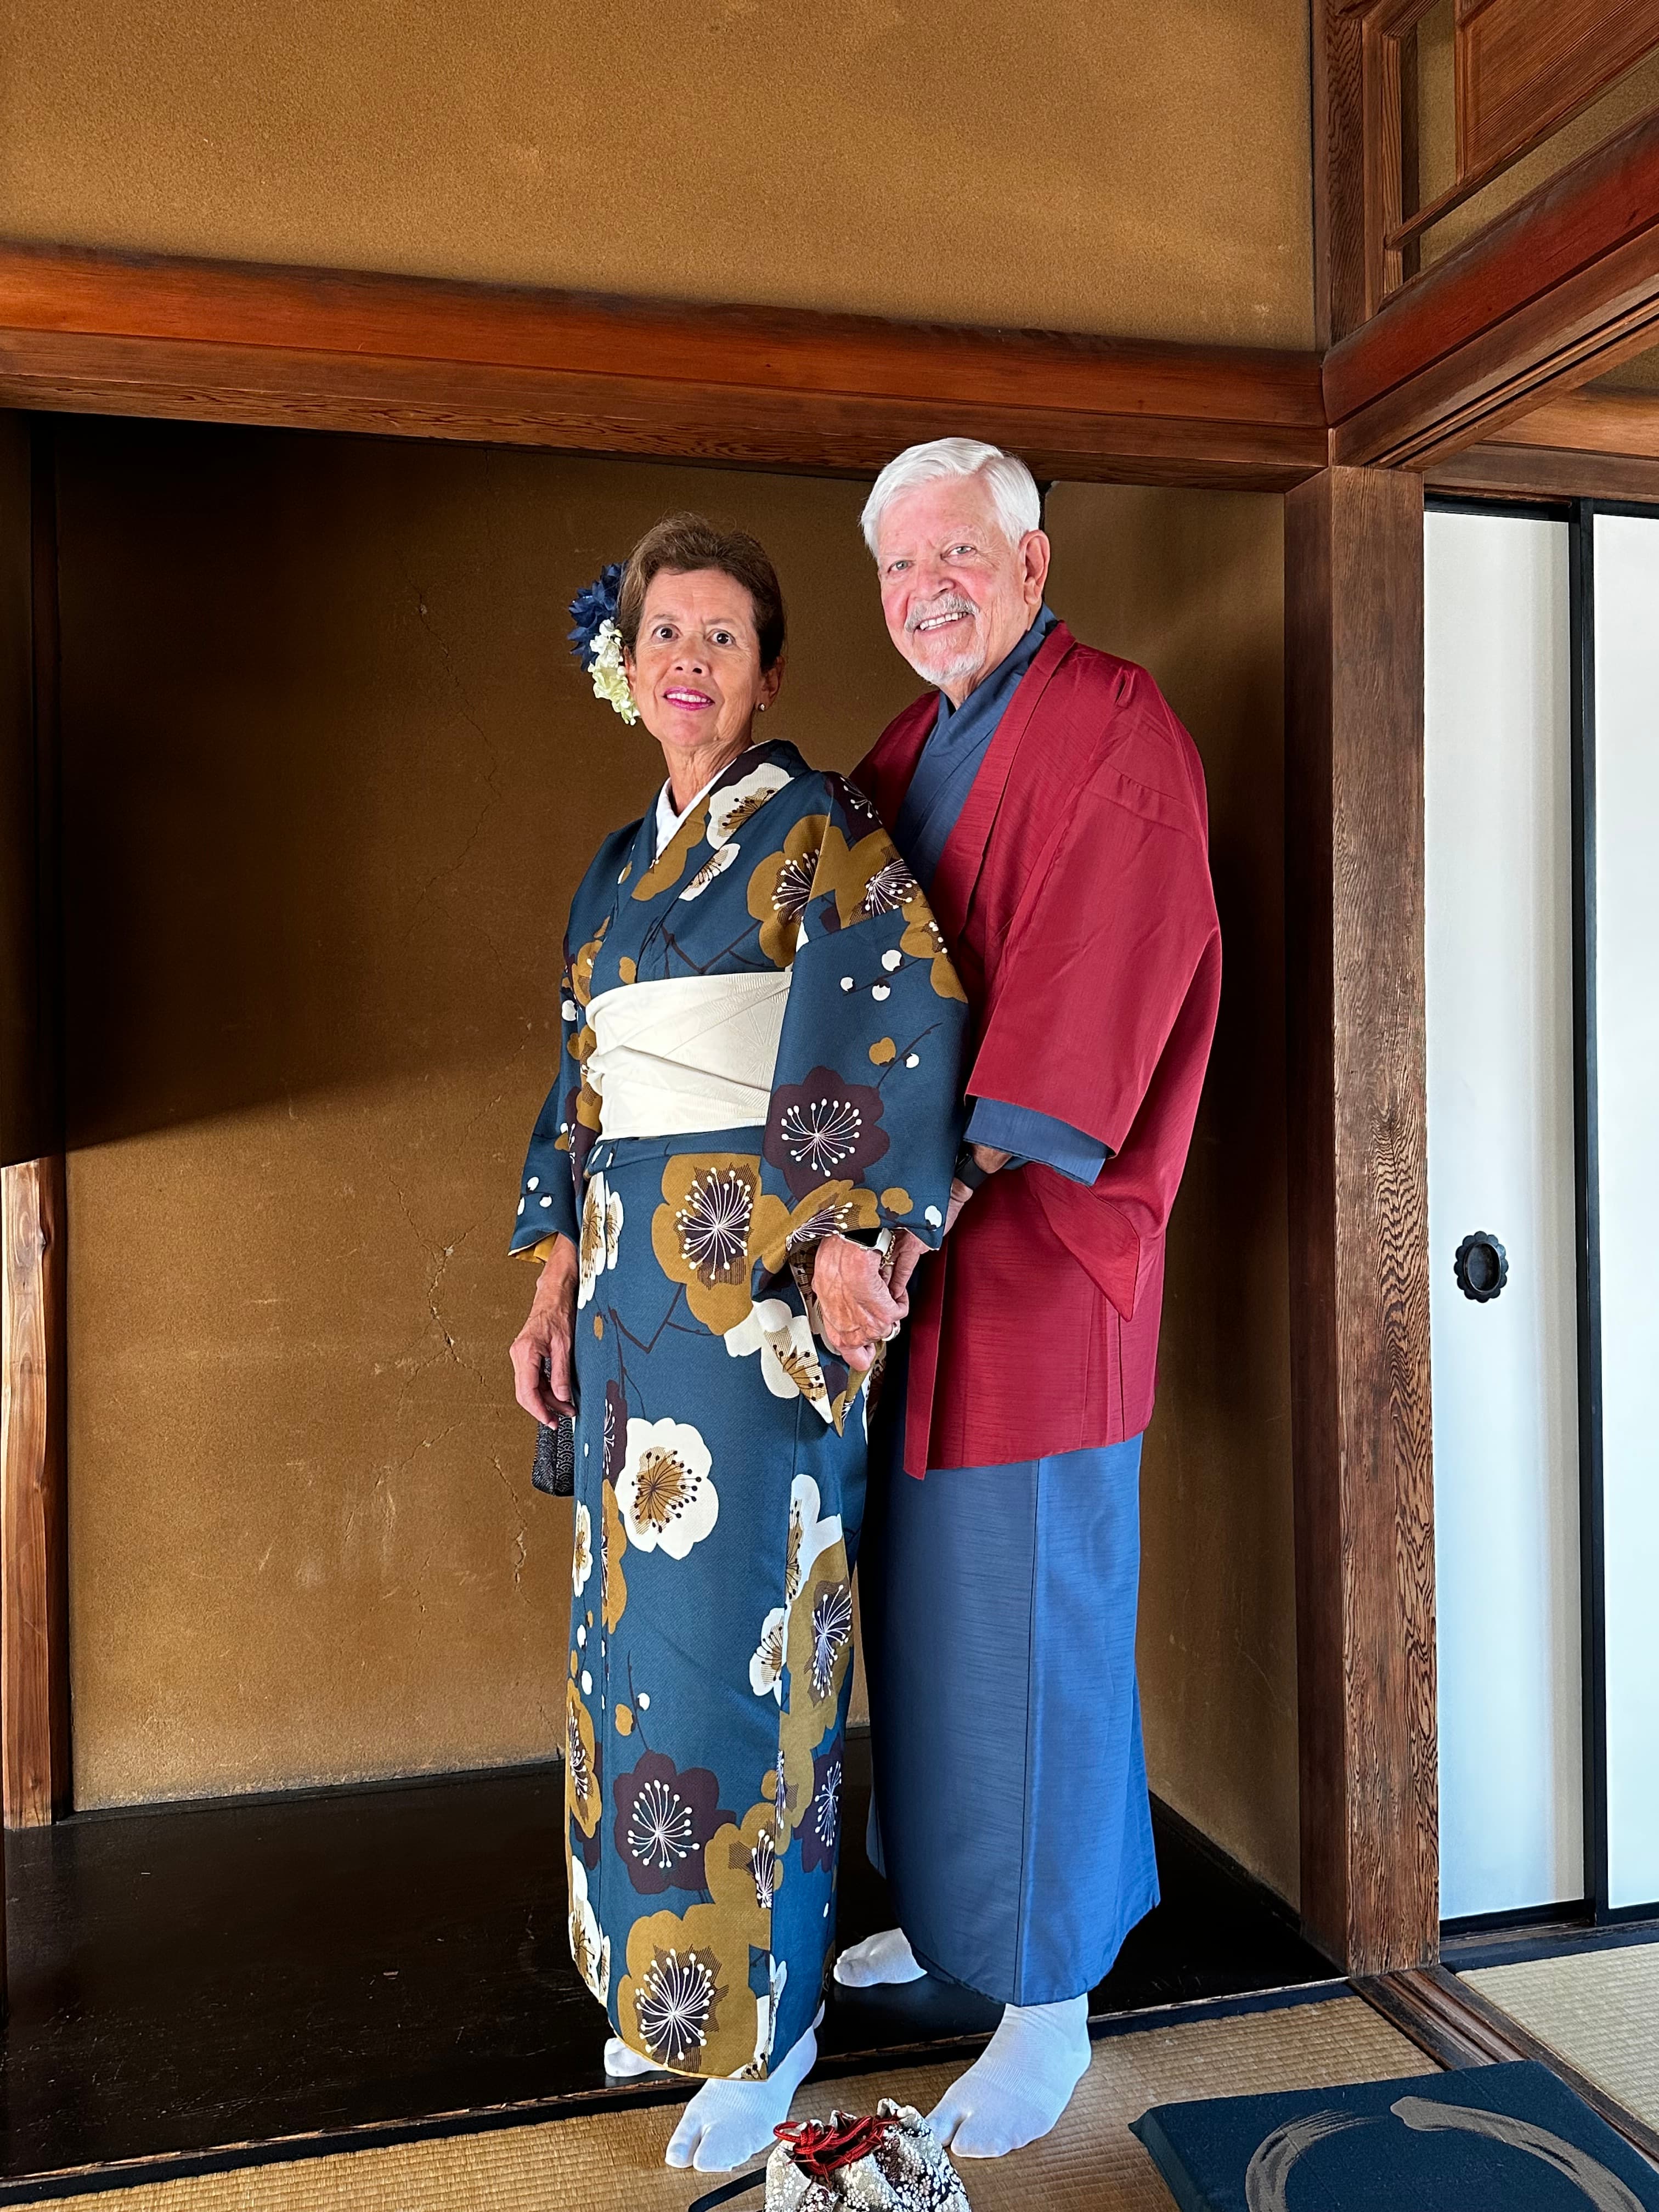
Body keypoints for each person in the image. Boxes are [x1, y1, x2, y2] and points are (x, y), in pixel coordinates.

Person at [507, 513, 968, 2174]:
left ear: (768, 669)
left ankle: (767, 2027)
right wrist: (553, 1275)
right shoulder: (613, 877)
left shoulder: (824, 834)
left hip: (755, 1307)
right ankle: (663, 1983)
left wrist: (849, 1231)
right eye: (664, 636)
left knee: (755, 1645)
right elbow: (580, 1089)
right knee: (636, 1650)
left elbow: (905, 1014)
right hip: (634, 1305)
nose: (689, 662)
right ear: (626, 671)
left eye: (721, 636)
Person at [834, 439, 1222, 2160]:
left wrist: (925, 1201)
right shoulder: (898, 755)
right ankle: (961, 1919)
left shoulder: (1115, 731)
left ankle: (1050, 1997)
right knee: (926, 1623)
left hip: (1038, 1261)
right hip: (907, 1273)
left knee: (1037, 1626)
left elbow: (1092, 998)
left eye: (960, 555)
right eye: (903, 567)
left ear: (1034, 561)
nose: (932, 588)